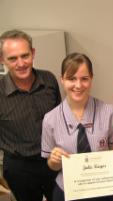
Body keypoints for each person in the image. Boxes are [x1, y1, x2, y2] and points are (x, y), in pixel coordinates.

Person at [41, 52, 113, 201]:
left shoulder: (109, 112)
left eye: (84, 79)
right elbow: (52, 166)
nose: (78, 85)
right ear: (62, 79)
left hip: (104, 191)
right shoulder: (50, 120)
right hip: (67, 192)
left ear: (91, 78)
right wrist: (53, 161)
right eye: (71, 79)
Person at [0, 29, 61, 201]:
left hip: (53, 160)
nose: (21, 63)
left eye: (25, 55)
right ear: (2, 59)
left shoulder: (49, 80)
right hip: (19, 168)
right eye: (12, 58)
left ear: (33, 53)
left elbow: (60, 119)